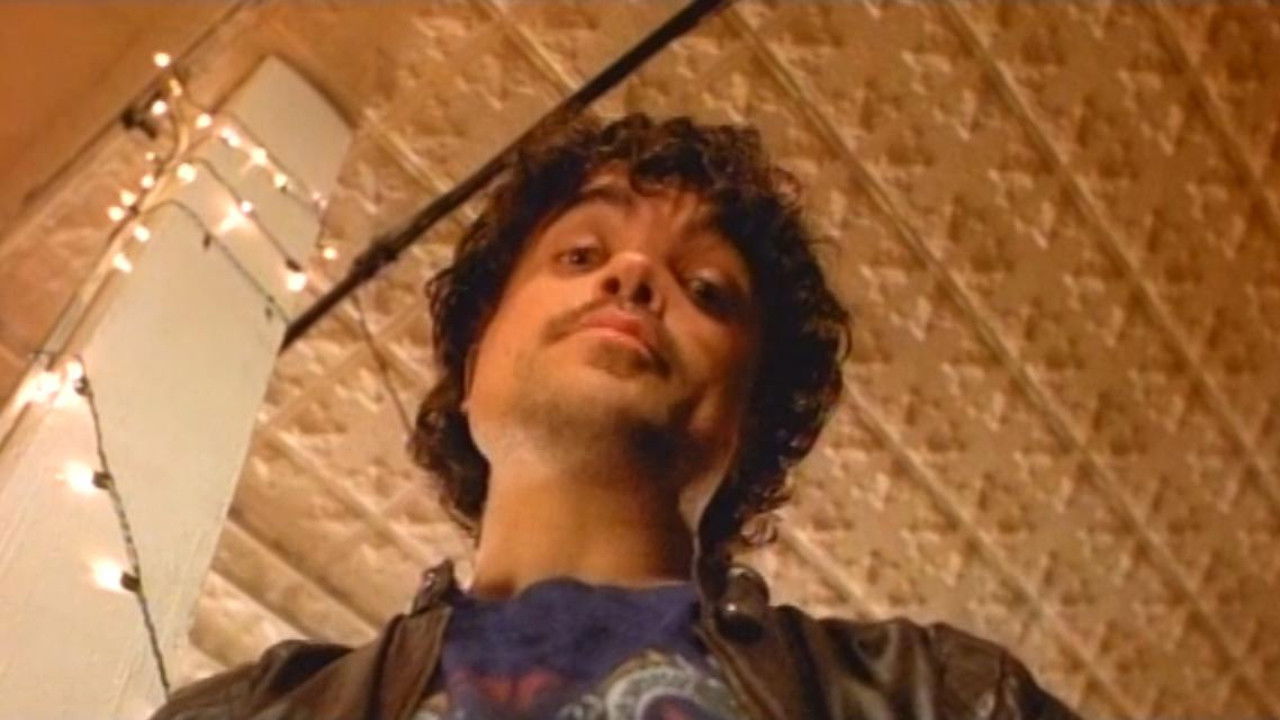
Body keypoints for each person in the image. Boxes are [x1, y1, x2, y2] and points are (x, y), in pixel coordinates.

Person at [153, 114, 1080, 719]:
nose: (633, 275)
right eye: (580, 254)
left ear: (747, 422)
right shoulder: (249, 711)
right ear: (474, 367)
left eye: (707, 290)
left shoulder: (939, 697)